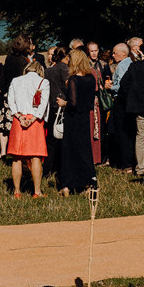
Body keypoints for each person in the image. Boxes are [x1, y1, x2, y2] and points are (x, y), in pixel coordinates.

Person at [3, 51, 48, 197]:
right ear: (40, 71)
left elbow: (11, 100)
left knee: (17, 157)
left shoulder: (16, 80)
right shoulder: (43, 82)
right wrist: (33, 118)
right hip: (35, 121)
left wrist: (18, 115)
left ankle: (16, 191)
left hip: (19, 119)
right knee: (35, 156)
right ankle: (37, 191)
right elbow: (43, 104)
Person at [58, 48, 98, 195]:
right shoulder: (91, 78)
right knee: (84, 149)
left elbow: (73, 103)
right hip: (85, 117)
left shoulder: (74, 79)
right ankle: (88, 181)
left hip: (73, 118)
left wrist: (64, 103)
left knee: (69, 150)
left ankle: (67, 184)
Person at [120, 45, 144, 176]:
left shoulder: (134, 66)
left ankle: (140, 168)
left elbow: (124, 84)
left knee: (140, 137)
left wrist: (133, 97)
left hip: (138, 106)